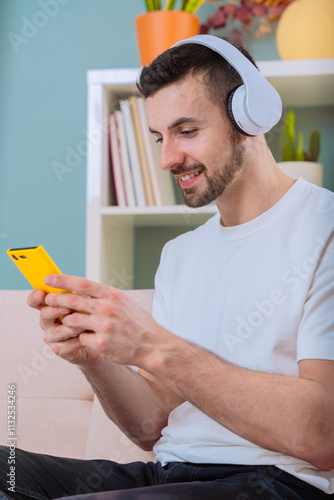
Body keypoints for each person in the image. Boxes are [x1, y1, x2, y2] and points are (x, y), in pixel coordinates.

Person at [1, 35, 334, 500]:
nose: (166, 159)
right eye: (160, 137)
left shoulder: (325, 229)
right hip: (169, 475)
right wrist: (91, 357)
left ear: (251, 117)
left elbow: (323, 434)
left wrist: (155, 346)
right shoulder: (181, 254)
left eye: (187, 131)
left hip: (277, 482)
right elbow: (150, 424)